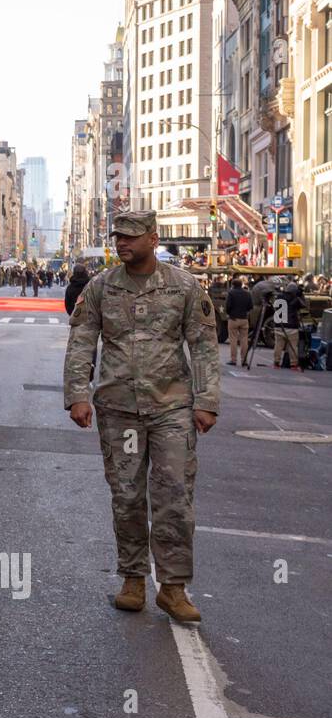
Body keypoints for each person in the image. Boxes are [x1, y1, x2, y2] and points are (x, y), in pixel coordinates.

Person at [64, 211, 220, 623]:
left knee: (174, 498)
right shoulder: (100, 288)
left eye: (131, 237)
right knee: (128, 495)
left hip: (172, 408)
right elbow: (81, 342)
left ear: (153, 239)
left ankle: (172, 587)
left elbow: (203, 346)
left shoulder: (185, 286)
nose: (122, 243)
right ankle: (133, 578)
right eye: (118, 236)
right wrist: (77, 394)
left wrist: (207, 401)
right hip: (119, 411)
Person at [273, 282, 307, 371]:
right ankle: (293, 364)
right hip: (292, 326)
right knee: (293, 346)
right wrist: (300, 295)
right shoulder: (295, 298)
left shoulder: (279, 296)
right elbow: (304, 305)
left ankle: (276, 362)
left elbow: (274, 306)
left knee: (278, 345)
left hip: (279, 324)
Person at [224, 277, 252, 366]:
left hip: (233, 319)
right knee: (244, 340)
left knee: (233, 340)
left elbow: (227, 306)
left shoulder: (231, 293)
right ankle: (244, 360)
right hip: (244, 319)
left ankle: (233, 360)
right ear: (241, 285)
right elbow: (250, 306)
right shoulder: (247, 293)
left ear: (233, 285)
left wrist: (229, 313)